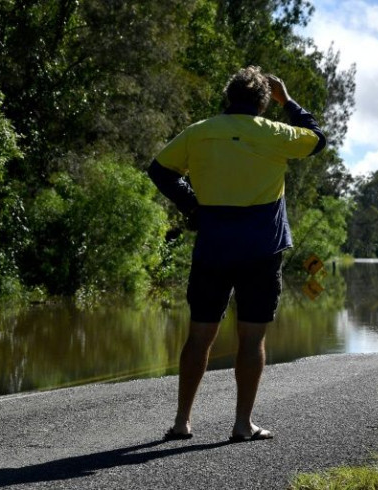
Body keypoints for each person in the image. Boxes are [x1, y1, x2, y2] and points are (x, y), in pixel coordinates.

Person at [148, 66, 326, 442]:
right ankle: (242, 425)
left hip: (214, 245)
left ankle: (182, 422)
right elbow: (317, 138)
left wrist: (192, 205)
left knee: (199, 336)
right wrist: (288, 100)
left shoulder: (199, 132)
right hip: (262, 248)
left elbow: (160, 170)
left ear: (228, 97)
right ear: (263, 102)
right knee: (252, 339)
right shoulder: (274, 133)